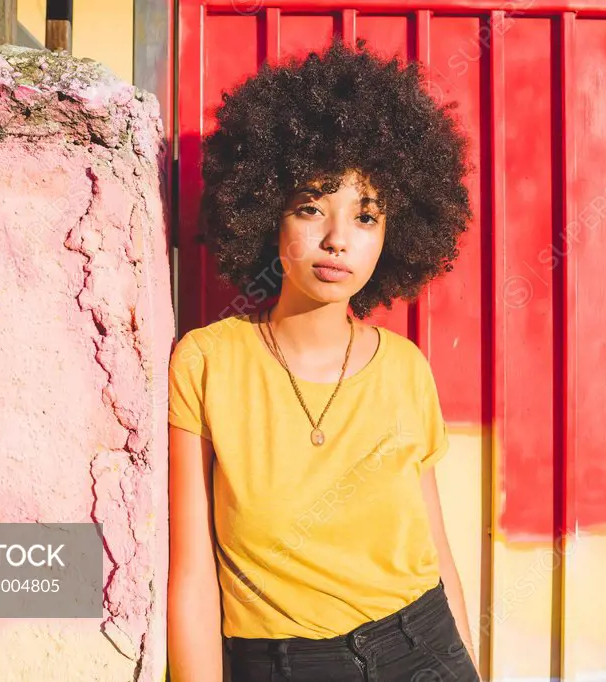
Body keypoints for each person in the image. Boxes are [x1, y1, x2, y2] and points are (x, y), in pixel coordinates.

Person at [167, 36, 477, 682]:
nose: (338, 239)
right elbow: (192, 579)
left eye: (366, 216)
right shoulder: (206, 365)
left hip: (423, 650)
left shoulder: (406, 370)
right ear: (266, 212)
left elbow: (437, 554)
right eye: (312, 207)